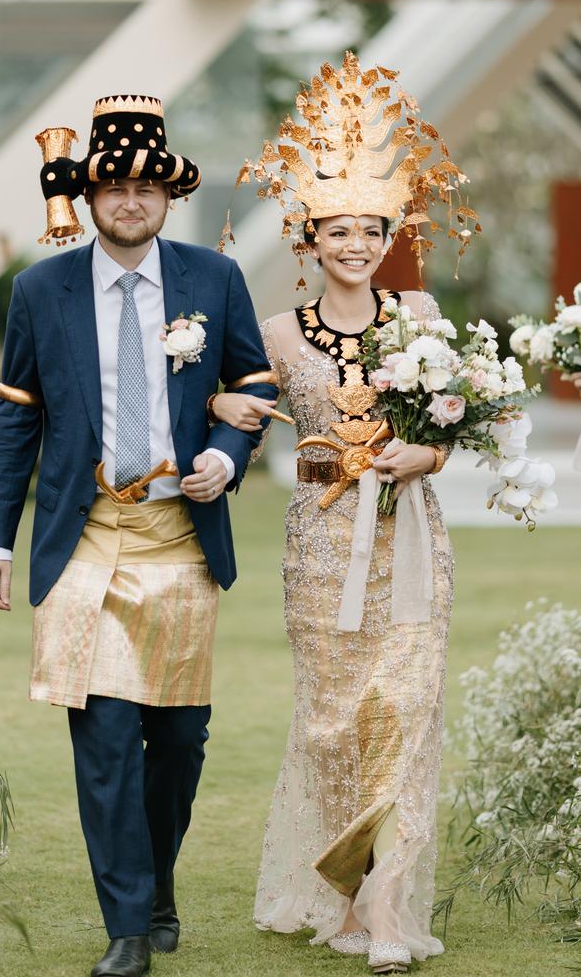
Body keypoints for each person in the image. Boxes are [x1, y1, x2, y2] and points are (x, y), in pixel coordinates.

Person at [0, 95, 277, 977]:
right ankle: (128, 929)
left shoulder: (213, 280)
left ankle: (157, 880)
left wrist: (226, 451)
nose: (130, 199)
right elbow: (15, 421)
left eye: (147, 185)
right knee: (103, 732)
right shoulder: (40, 289)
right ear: (92, 195)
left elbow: (250, 381)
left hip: (180, 532)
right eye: (115, 185)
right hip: (87, 536)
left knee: (178, 737)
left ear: (168, 196)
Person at [211, 55, 467, 974]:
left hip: (408, 539)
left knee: (406, 707)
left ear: (388, 233)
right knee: (331, 722)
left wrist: (421, 453)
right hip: (320, 542)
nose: (355, 244)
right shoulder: (275, 333)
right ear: (309, 238)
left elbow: (456, 424)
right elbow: (231, 402)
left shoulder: (421, 312)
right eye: (337, 231)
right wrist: (220, 410)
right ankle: (347, 896)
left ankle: (390, 904)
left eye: (370, 229)